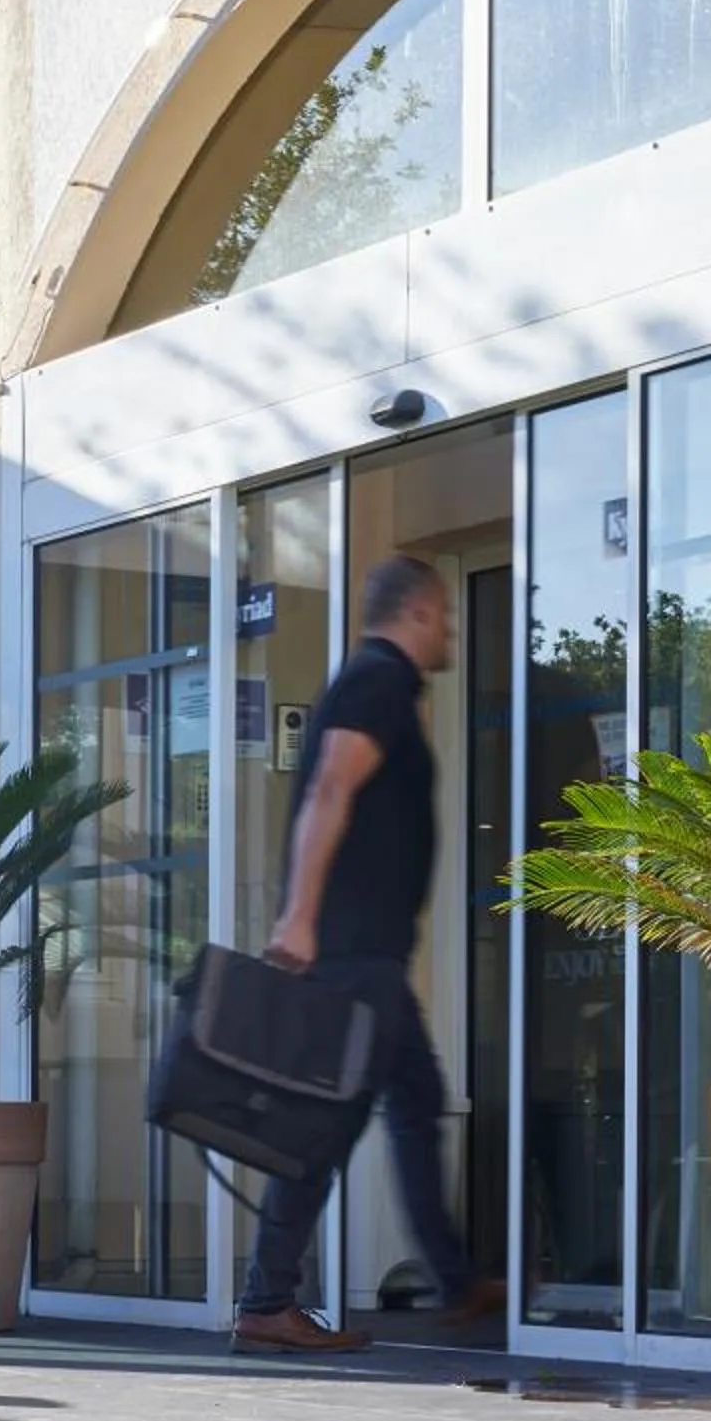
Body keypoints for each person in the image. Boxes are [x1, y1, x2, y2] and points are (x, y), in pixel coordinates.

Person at [235, 552, 505, 1354]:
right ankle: (269, 1300)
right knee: (333, 1123)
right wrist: (299, 921)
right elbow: (328, 790)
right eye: (445, 614)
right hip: (351, 959)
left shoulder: (381, 686)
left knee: (407, 1107)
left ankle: (450, 1283)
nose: (451, 629)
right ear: (418, 613)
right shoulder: (375, 682)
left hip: (368, 957)